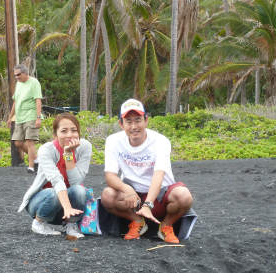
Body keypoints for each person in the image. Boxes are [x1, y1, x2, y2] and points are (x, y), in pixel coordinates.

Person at [101, 98, 193, 244]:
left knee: (184, 196)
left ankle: (166, 225)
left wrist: (148, 204)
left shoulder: (160, 141)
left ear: (146, 120)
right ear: (121, 124)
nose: (134, 126)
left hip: (161, 196)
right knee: (107, 196)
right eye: (128, 121)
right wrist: (127, 189)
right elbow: (110, 176)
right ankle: (138, 222)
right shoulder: (113, 141)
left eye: (138, 120)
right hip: (133, 198)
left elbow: (159, 175)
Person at [18, 113, 92, 238]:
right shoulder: (46, 150)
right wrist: (67, 207)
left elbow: (76, 182)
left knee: (80, 190)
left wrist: (68, 154)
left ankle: (71, 225)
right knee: (52, 192)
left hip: (65, 210)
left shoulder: (84, 147)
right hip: (43, 204)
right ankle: (39, 223)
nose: (69, 135)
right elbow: (57, 181)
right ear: (55, 134)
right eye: (64, 131)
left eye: (74, 130)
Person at [7, 64, 42, 174]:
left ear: (25, 73)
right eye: (15, 75)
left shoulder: (34, 82)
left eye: (18, 74)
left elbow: (38, 100)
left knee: (30, 141)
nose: (16, 77)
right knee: (17, 142)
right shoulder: (18, 84)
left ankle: (31, 167)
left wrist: (38, 117)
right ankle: (36, 158)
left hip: (31, 115)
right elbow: (16, 101)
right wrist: (10, 117)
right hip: (19, 117)